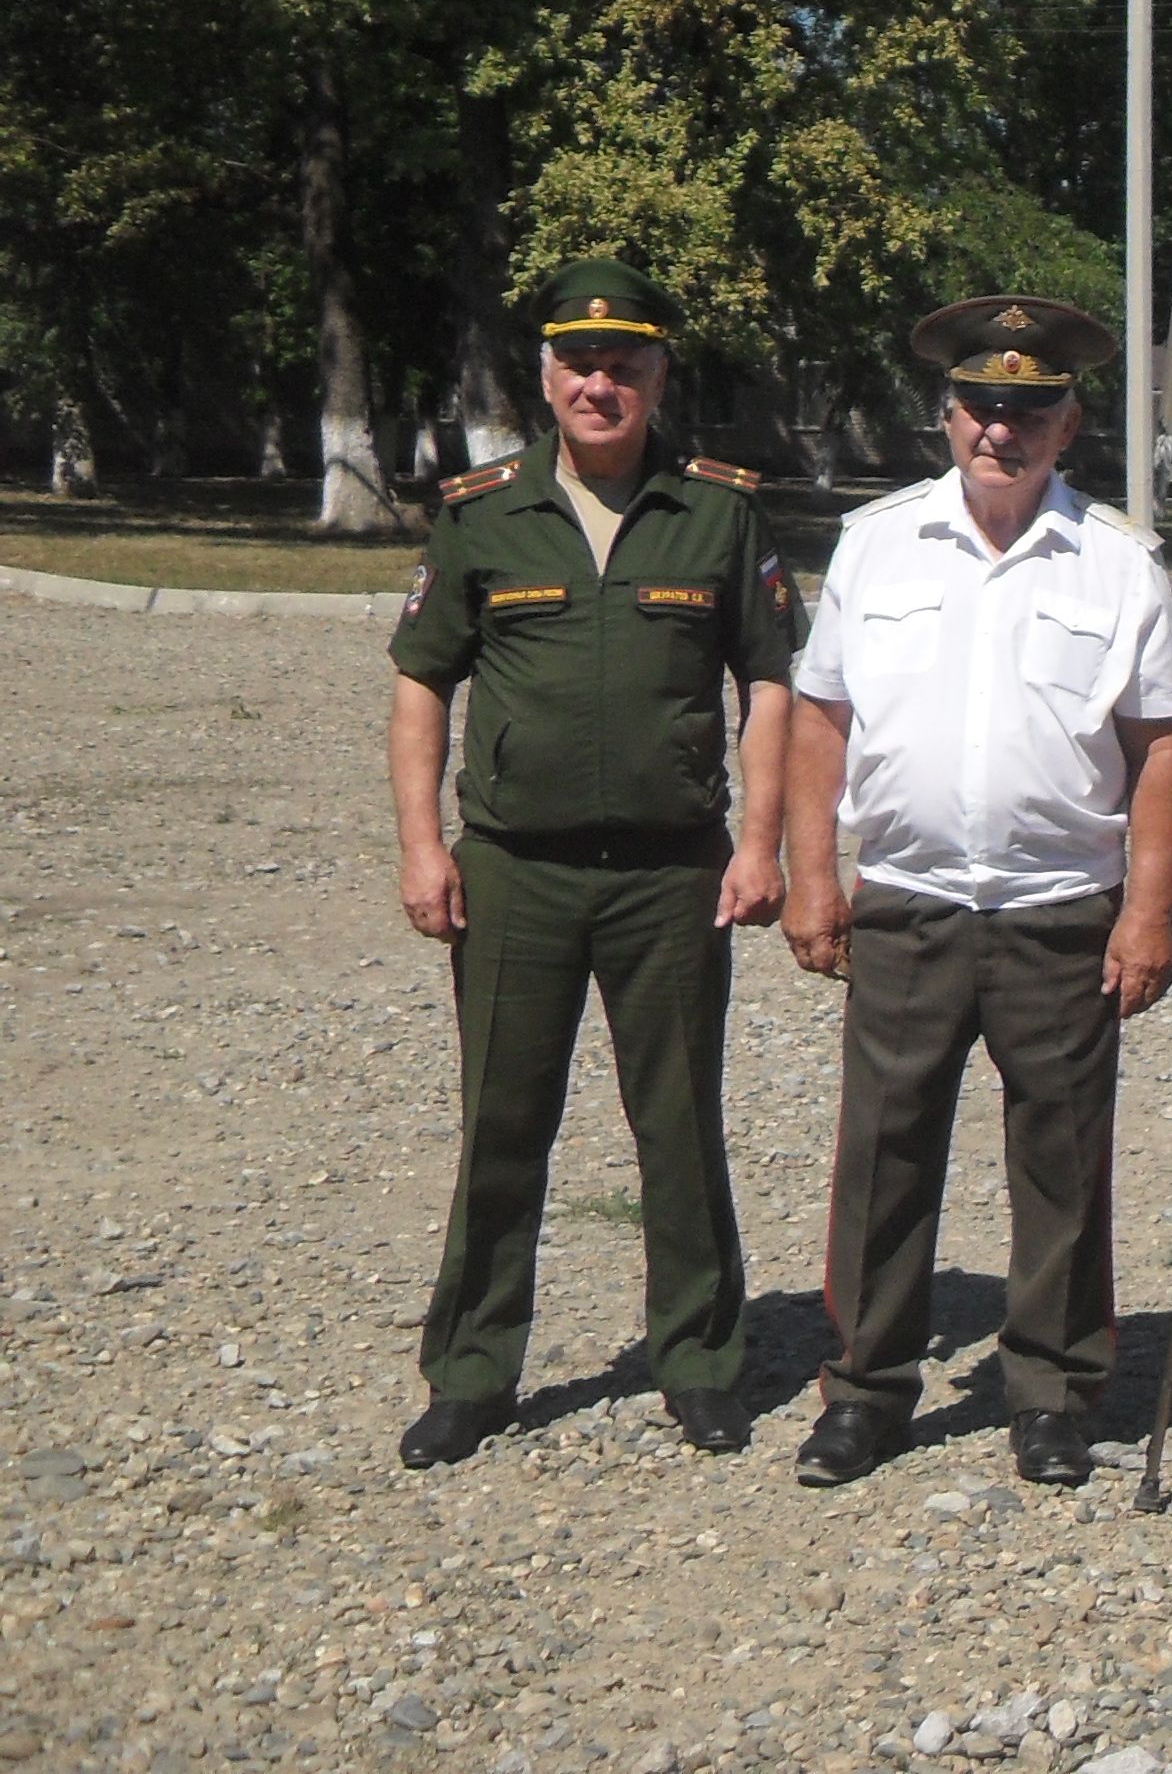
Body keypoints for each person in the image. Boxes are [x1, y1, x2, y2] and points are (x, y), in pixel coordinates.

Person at [385, 257, 797, 1468]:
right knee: (501, 1125)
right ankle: (472, 1371)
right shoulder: (483, 511)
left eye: (623, 365)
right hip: (516, 872)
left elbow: (769, 681)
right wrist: (423, 846)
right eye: (578, 364)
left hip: (673, 874)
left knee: (680, 1126)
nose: (598, 385)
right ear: (547, 375)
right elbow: (421, 681)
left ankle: (701, 1362)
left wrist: (760, 843)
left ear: (659, 375)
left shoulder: (717, 510)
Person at [781, 295, 1172, 1491]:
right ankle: (866, 1389)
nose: (999, 430)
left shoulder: (1117, 563)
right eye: (979, 406)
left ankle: (1053, 1393)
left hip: (1059, 909)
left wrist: (1148, 912)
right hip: (907, 901)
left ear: (1067, 423)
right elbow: (822, 717)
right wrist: (814, 875)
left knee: (1063, 1161)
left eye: (1027, 409)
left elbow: (1160, 747)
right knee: (883, 1153)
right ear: (947, 415)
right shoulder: (876, 544)